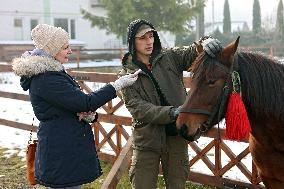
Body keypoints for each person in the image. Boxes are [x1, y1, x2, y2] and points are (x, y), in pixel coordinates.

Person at [12, 24, 139, 189]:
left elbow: (69, 104)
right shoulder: (47, 79)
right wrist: (117, 85)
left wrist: (87, 114)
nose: (70, 51)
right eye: (65, 47)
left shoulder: (52, 74)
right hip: (61, 151)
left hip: (64, 146)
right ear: (52, 50)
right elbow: (84, 102)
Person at [119, 19, 222, 189]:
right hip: (147, 142)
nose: (149, 41)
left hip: (177, 140)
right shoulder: (125, 75)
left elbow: (192, 52)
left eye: (151, 36)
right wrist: (172, 112)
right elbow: (139, 109)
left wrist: (206, 42)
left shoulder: (170, 57)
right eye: (142, 38)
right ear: (132, 42)